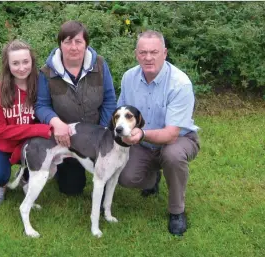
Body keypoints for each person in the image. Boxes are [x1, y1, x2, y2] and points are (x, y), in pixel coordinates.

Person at [117, 30, 200, 236]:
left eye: (154, 52)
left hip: (179, 140)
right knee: (126, 178)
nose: (148, 57)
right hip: (142, 143)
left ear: (165, 53)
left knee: (171, 156)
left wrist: (142, 134)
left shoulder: (180, 83)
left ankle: (176, 211)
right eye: (143, 52)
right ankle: (153, 178)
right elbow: (120, 113)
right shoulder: (129, 77)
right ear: (136, 54)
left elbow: (171, 134)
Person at [35, 21, 117, 196]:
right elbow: (41, 105)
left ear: (86, 44)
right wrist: (56, 123)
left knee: (114, 171)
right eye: (68, 41)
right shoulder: (46, 73)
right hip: (66, 139)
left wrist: (102, 131)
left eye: (78, 41)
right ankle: (62, 168)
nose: (73, 47)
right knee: (72, 188)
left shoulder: (101, 65)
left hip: (97, 134)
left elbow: (110, 100)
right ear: (60, 45)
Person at [0, 39, 52, 207]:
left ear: (32, 62)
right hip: (1, 143)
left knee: (45, 156)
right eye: (15, 63)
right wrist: (37, 129)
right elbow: (0, 131)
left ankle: (25, 178)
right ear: (8, 65)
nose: (21, 68)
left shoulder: (41, 86)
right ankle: (1, 185)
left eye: (25, 62)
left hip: (29, 143)